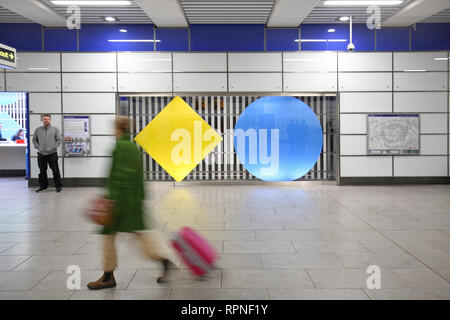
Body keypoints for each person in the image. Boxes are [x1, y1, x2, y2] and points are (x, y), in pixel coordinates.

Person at [87, 116, 175, 290]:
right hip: (133, 201)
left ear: (117, 129)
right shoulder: (134, 147)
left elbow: (119, 175)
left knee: (108, 235)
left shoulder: (119, 146)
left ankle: (108, 276)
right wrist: (141, 197)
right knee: (139, 236)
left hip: (120, 201)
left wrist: (110, 198)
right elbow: (140, 175)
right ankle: (163, 260)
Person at [32, 114, 63, 193]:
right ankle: (43, 186)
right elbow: (34, 140)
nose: (46, 120)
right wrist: (38, 147)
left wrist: (53, 147)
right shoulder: (38, 130)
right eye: (44, 119)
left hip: (52, 154)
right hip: (41, 154)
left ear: (50, 120)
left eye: (48, 119)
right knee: (42, 171)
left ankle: (58, 186)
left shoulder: (55, 129)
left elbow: (59, 140)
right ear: (42, 120)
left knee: (55, 170)